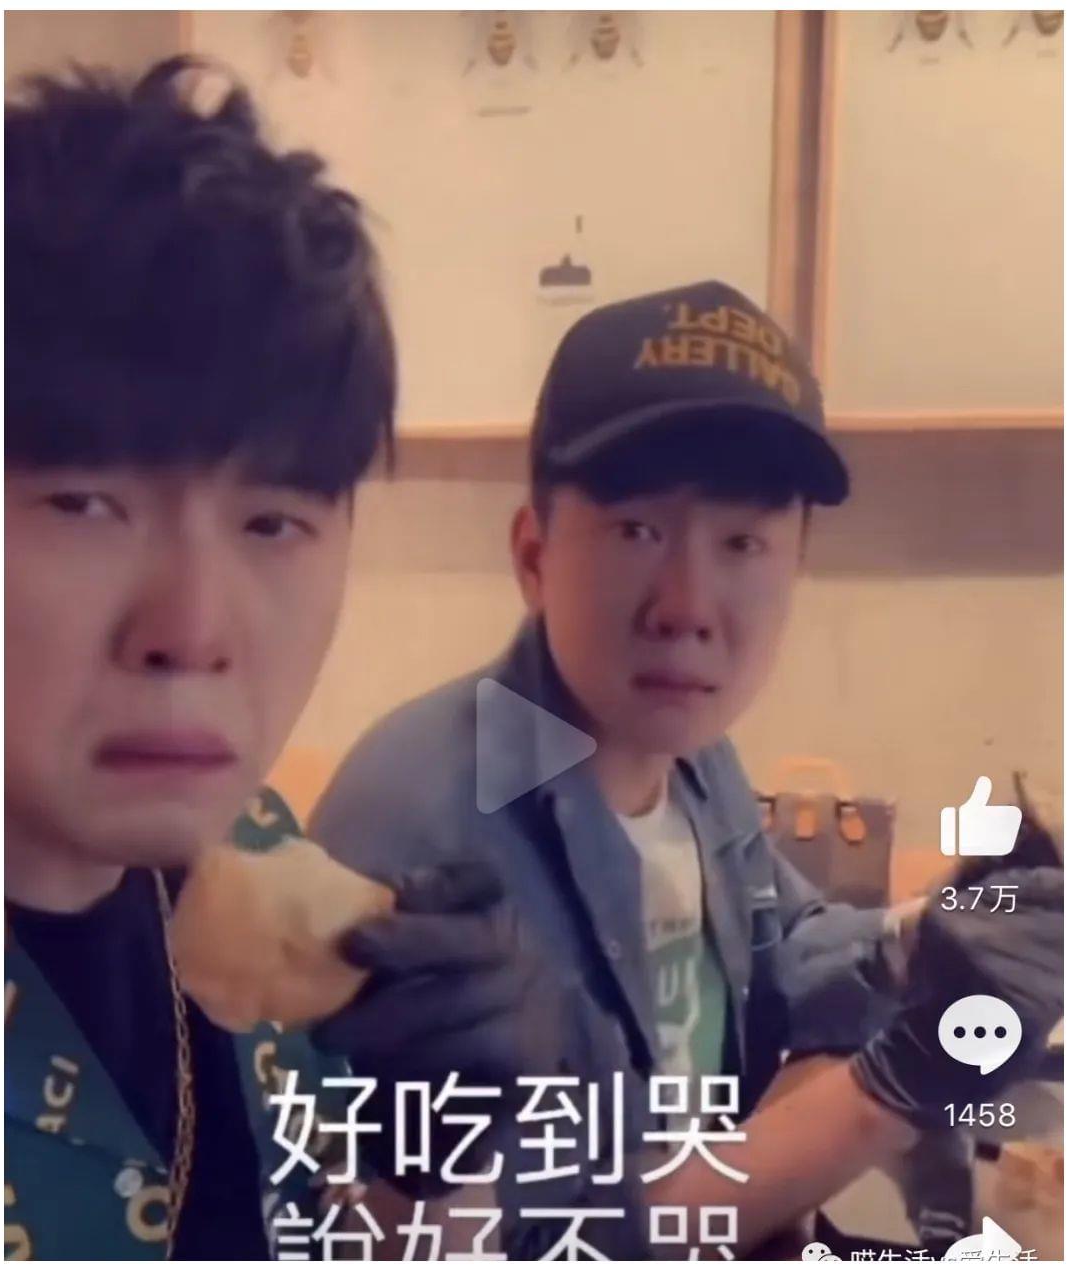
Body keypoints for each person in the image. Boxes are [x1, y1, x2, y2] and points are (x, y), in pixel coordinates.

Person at [311, 279, 1064, 1257]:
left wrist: (919, 938)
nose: (688, 606)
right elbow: (549, 1235)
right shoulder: (425, 829)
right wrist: (894, 1088)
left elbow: (775, 940)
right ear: (534, 555)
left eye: (742, 541)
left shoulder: (688, 750)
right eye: (638, 531)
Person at [4, 57, 561, 1260]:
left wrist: (434, 1171)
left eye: (273, 522)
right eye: (86, 503)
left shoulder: (255, 862)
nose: (194, 628)